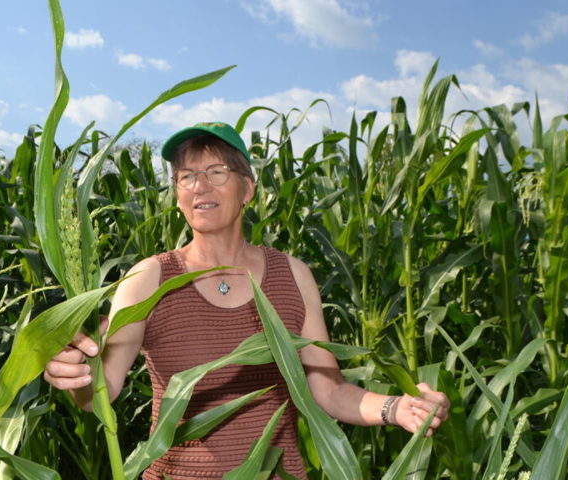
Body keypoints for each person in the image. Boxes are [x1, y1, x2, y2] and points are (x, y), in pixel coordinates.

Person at [43, 121, 451, 479]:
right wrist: (75, 375)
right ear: (178, 194)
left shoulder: (293, 276)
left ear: (248, 189)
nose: (200, 185)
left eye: (216, 172)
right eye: (186, 176)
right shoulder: (149, 278)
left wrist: (397, 408)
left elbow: (328, 391)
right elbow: (100, 393)